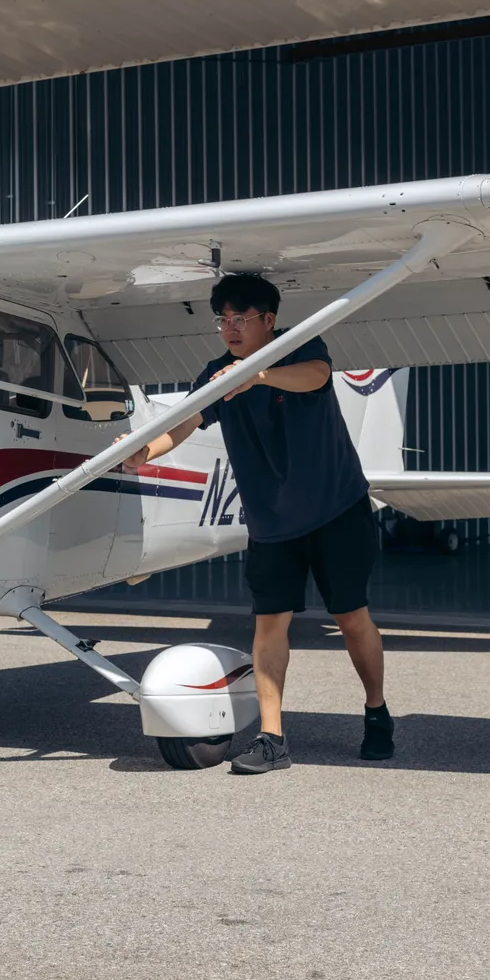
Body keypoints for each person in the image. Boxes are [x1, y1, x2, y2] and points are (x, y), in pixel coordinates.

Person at [124, 273, 393, 775]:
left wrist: (258, 374)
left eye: (239, 319)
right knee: (269, 625)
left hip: (337, 509)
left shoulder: (299, 348)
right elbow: (185, 420)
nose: (229, 328)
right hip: (272, 522)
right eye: (222, 320)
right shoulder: (215, 373)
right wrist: (146, 452)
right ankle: (273, 739)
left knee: (352, 618)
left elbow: (315, 375)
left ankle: (376, 712)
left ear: (268, 320)